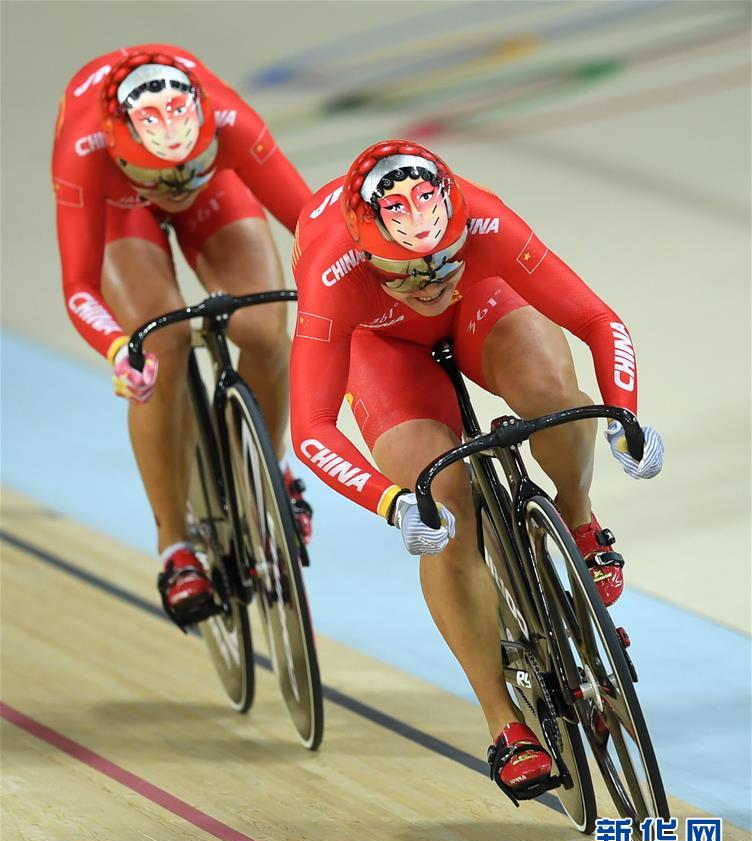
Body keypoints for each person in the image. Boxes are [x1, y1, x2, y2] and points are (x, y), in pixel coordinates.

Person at [290, 140, 664, 802]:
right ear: (367, 253)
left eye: (443, 259)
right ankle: (504, 721)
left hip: (481, 302)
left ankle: (577, 519)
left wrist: (625, 418)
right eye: (408, 272)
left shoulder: (485, 222)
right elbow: (311, 429)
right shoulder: (332, 273)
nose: (431, 281)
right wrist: (392, 502)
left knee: (557, 397)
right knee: (442, 497)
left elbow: (598, 319)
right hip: (381, 346)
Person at [52, 45, 313, 628]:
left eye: (191, 166)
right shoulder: (84, 150)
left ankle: (269, 471)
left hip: (216, 195)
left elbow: (312, 226)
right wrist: (119, 348)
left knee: (267, 331)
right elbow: (77, 285)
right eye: (162, 176)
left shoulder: (229, 119)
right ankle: (175, 546)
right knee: (159, 348)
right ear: (123, 152)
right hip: (122, 210)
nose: (178, 185)